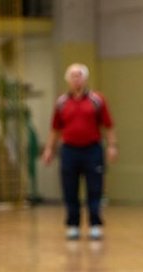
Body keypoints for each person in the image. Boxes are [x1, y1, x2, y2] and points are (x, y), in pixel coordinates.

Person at [42, 63, 118, 240]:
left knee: (95, 188)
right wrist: (49, 149)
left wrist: (112, 145)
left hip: (92, 149)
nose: (76, 79)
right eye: (73, 76)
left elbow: (108, 125)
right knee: (70, 189)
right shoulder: (61, 102)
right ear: (68, 80)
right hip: (69, 150)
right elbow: (55, 129)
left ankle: (95, 224)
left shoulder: (97, 100)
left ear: (85, 79)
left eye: (79, 75)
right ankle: (73, 224)